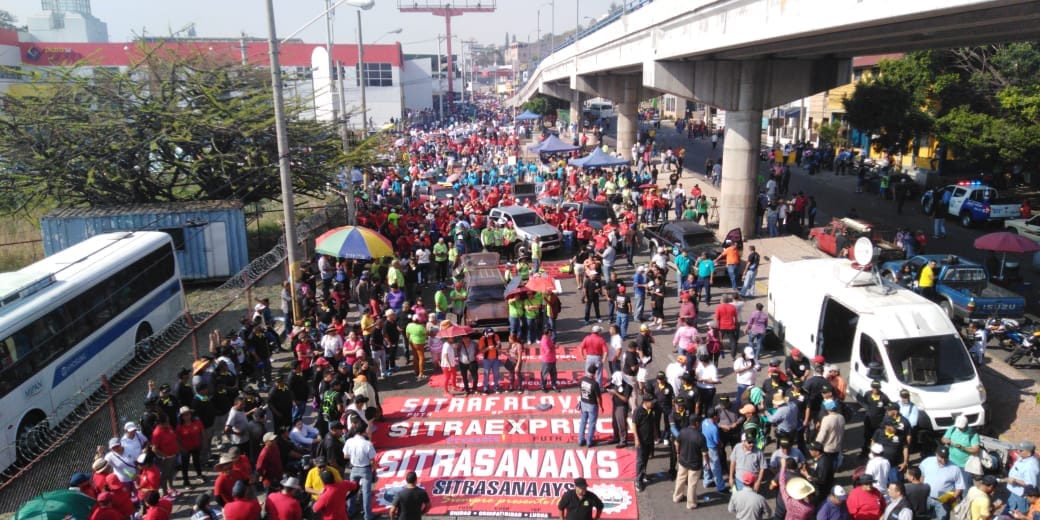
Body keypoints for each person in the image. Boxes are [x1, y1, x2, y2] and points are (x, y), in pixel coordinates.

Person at [672, 414, 707, 509]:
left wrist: (678, 453)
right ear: (696, 423)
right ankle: (691, 503)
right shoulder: (700, 436)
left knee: (680, 479)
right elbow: (704, 453)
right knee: (692, 484)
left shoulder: (682, 432)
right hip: (695, 464)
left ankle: (677, 497)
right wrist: (707, 463)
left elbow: (676, 443)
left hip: (683, 460)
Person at [631, 394, 656, 492]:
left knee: (645, 459)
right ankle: (638, 480)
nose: (653, 403)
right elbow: (634, 425)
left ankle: (643, 473)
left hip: (649, 439)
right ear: (645, 402)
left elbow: (653, 423)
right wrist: (636, 439)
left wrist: (656, 434)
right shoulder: (638, 411)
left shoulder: (651, 410)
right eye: (651, 402)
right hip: (641, 441)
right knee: (640, 460)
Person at [1006, 440, 1040, 514]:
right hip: (1015, 492)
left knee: (1019, 514)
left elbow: (1031, 486)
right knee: (1010, 511)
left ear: (1028, 453)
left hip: (1021, 496)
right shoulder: (1023, 458)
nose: (1018, 451)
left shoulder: (1031, 466)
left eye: (1021, 450)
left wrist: (1015, 480)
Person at [578, 365, 604, 448]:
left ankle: (580, 440)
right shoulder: (594, 383)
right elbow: (598, 397)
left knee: (583, 421)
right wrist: (601, 406)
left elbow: (580, 390)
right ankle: (589, 441)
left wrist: (581, 400)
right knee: (592, 423)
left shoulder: (582, 380)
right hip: (592, 405)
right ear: (594, 374)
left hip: (583, 402)